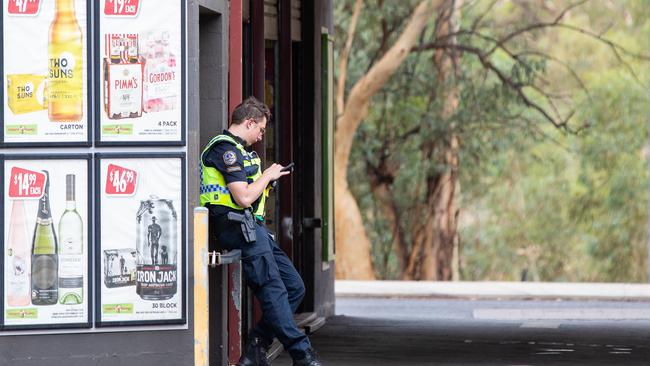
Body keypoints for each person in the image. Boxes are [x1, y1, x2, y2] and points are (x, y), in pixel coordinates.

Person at [200, 96, 322, 366]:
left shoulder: (241, 152)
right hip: (235, 227)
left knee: (294, 287)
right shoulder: (225, 150)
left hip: (251, 229)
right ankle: (303, 354)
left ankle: (256, 347)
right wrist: (267, 175)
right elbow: (242, 197)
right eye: (261, 130)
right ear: (249, 122)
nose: (260, 136)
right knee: (273, 289)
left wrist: (266, 180)